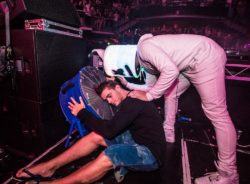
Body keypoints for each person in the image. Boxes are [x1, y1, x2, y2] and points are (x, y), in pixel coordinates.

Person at [125, 33, 238, 184]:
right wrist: (125, 84)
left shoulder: (144, 48)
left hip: (205, 56)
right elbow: (150, 87)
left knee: (217, 113)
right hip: (186, 65)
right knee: (171, 94)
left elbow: (168, 73)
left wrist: (149, 96)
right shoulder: (146, 61)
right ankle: (168, 133)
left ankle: (229, 174)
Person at [15, 80, 166, 184]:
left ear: (118, 88)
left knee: (112, 153)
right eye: (106, 100)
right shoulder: (131, 98)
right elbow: (109, 127)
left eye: (109, 96)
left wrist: (81, 112)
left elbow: (110, 129)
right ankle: (48, 167)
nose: (110, 101)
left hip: (150, 154)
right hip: (137, 141)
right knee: (97, 135)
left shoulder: (133, 102)